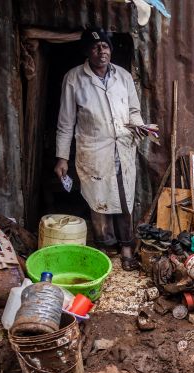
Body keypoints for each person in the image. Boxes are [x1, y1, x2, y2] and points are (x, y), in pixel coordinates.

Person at [54, 28, 145, 271]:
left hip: (123, 147)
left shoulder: (123, 77)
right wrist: (62, 157)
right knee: (99, 201)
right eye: (95, 47)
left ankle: (127, 249)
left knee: (124, 197)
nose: (101, 50)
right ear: (87, 51)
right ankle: (106, 248)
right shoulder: (74, 78)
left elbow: (134, 110)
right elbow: (66, 122)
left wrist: (139, 127)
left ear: (110, 49)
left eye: (105, 46)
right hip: (94, 150)